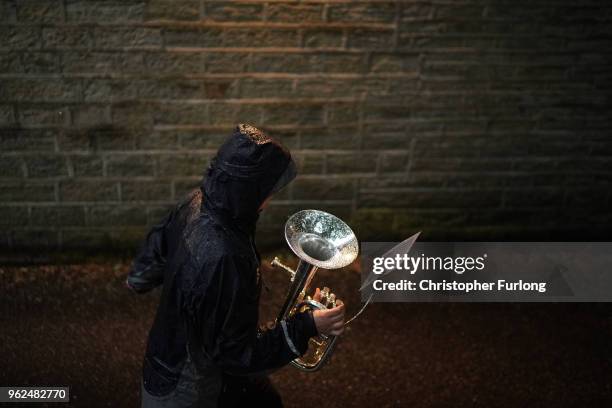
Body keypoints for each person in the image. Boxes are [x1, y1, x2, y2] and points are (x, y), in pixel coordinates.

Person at [127, 124, 346, 407]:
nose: (270, 199)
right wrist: (306, 325)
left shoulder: (197, 201)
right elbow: (236, 354)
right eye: (269, 190)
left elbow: (158, 245)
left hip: (173, 355)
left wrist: (138, 279)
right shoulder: (226, 257)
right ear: (250, 192)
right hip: (190, 385)